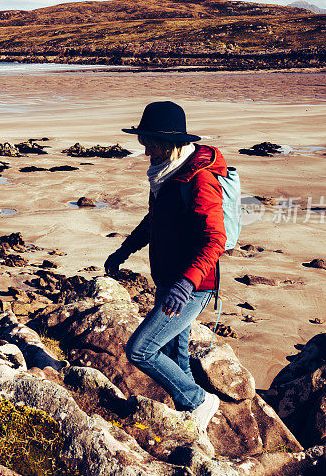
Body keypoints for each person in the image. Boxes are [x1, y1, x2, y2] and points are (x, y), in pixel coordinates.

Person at [105, 100, 227, 433]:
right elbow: (153, 222)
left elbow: (215, 239)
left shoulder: (199, 181)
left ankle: (199, 402)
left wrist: (186, 284)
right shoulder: (166, 176)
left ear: (170, 143)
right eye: (143, 142)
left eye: (150, 143)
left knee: (140, 349)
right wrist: (123, 251)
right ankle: (194, 420)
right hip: (169, 281)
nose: (145, 151)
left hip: (191, 287)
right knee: (175, 352)